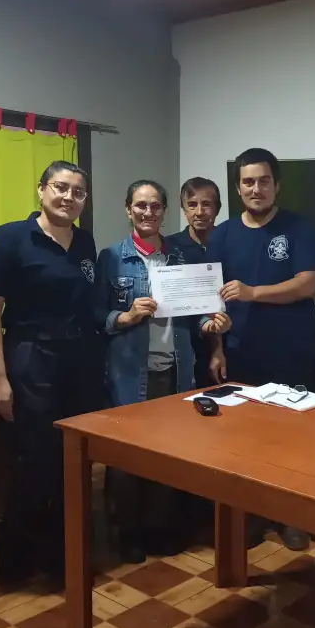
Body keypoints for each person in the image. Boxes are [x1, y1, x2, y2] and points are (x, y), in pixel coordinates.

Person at [95, 179, 231, 564]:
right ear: (128, 210)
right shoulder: (112, 258)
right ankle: (128, 534)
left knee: (168, 454)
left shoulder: (181, 259)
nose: (148, 212)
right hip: (128, 374)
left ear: (164, 212)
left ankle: (158, 528)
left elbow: (195, 314)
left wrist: (212, 324)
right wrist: (125, 316)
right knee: (127, 459)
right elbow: (94, 314)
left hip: (175, 372)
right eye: (140, 205)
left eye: (155, 206)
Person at [0, 160, 101, 587]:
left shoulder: (84, 242)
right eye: (61, 188)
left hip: (79, 359)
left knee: (71, 457)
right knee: (33, 458)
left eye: (78, 192)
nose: (69, 197)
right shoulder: (11, 237)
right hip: (31, 356)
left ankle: (60, 551)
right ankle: (14, 552)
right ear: (42, 189)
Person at [207, 148, 315, 551]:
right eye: (248, 182)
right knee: (244, 439)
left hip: (294, 352)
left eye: (263, 181)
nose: (256, 189)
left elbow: (307, 283)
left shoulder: (299, 227)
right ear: (238, 188)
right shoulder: (222, 235)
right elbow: (212, 299)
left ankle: (293, 517)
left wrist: (253, 292)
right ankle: (251, 516)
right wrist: (217, 348)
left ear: (277, 185)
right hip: (242, 353)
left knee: (296, 439)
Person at [166, 177, 222, 387]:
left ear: (217, 208)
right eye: (191, 205)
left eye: (206, 204)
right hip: (185, 344)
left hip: (228, 340)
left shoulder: (229, 242)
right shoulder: (169, 247)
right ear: (183, 209)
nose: (199, 212)